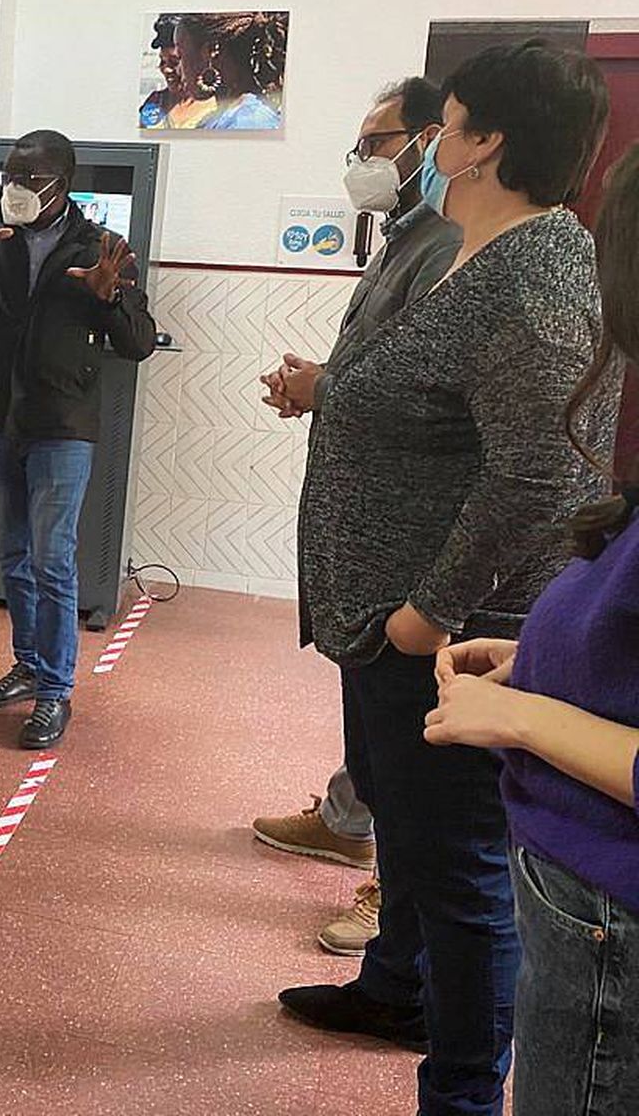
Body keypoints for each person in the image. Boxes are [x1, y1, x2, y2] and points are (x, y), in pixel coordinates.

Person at [280, 41, 612, 1116]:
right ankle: (392, 991)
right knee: (411, 843)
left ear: (485, 143)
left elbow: (542, 478)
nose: (428, 143)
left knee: (460, 874)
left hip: (447, 628)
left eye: (445, 122)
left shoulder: (536, 276)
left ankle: (460, 1092)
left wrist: (426, 613)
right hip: (380, 611)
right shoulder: (463, 250)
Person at [422, 141, 639, 1116]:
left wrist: (517, 719)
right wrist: (549, 661)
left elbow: (520, 477)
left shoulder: (528, 297)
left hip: (611, 928)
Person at [251, 78, 462, 958]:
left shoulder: (456, 246)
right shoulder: (407, 237)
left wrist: (324, 388)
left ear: (439, 140)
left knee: (414, 757)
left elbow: (430, 398)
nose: (362, 162)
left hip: (409, 548)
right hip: (363, 539)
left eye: (375, 143)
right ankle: (350, 822)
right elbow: (385, 373)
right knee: (373, 731)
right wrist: (325, 388)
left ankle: (396, 912)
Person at [0, 130, 156, 750]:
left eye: (29, 179)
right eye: (10, 176)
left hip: (62, 423)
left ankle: (56, 691)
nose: (16, 190)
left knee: (53, 557)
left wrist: (109, 300)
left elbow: (137, 342)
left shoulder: (102, 247)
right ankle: (28, 666)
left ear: (60, 183)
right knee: (13, 553)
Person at [175, 12, 286, 131]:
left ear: (210, 51)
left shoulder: (249, 123)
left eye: (180, 55)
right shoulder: (225, 118)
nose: (178, 69)